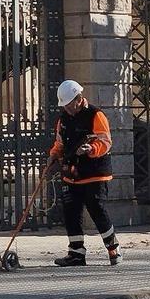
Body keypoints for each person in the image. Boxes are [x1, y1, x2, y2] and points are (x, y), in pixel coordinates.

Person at [48, 80, 122, 268]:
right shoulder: (63, 119)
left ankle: (113, 248)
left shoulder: (96, 115)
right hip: (73, 172)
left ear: (79, 99)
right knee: (71, 211)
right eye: (64, 105)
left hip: (95, 172)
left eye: (69, 104)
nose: (67, 108)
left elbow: (105, 141)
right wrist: (53, 155)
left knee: (96, 208)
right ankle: (76, 253)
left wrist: (91, 149)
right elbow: (60, 142)